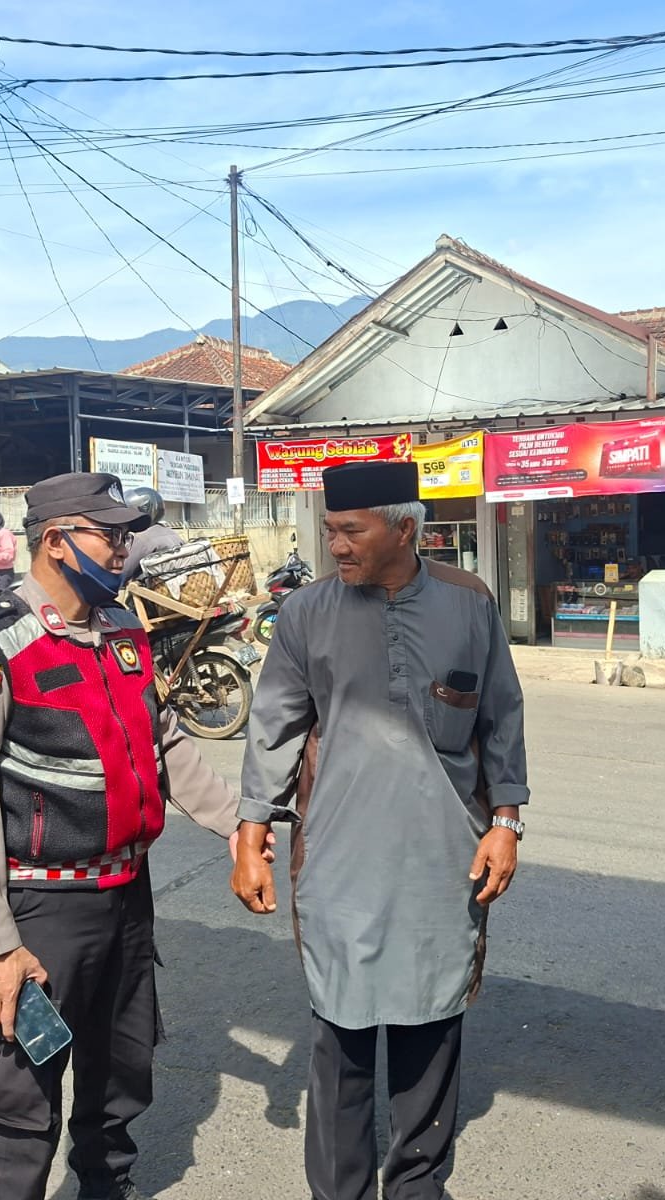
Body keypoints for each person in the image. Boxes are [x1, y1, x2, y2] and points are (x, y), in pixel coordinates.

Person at [0, 472, 254, 1200]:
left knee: (119, 1080)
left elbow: (164, 743)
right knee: (20, 1105)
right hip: (42, 913)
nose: (123, 550)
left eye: (126, 536)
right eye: (109, 536)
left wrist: (237, 825)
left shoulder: (123, 633)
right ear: (55, 540)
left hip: (127, 898)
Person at [232, 460, 529, 1200]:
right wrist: (252, 831)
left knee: (432, 1019)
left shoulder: (469, 602)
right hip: (338, 854)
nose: (335, 545)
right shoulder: (305, 613)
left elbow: (501, 718)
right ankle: (340, 1190)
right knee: (342, 1025)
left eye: (351, 531)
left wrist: (506, 822)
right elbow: (273, 726)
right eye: (330, 530)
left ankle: (417, 1183)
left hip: (443, 854)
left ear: (404, 529)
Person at [120, 487, 184, 583]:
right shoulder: (171, 532)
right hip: (175, 586)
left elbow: (122, 573)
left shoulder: (142, 538)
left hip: (149, 589)